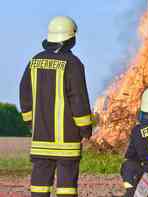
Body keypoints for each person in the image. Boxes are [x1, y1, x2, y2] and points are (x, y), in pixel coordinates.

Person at [20, 16, 93, 197]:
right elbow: (78, 99)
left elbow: (25, 95)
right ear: (70, 38)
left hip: (40, 139)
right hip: (67, 141)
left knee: (39, 185)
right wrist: (85, 129)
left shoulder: (34, 62)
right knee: (66, 188)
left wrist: (31, 123)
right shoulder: (73, 63)